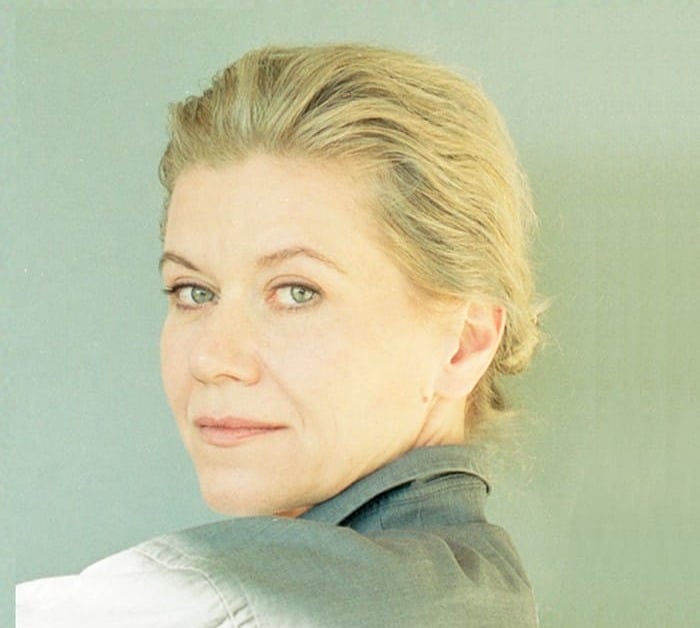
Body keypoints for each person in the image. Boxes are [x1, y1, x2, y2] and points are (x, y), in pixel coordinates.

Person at [17, 44, 542, 626]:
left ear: (464, 344)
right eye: (194, 291)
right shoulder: (472, 593)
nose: (212, 358)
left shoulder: (223, 607)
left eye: (297, 292)